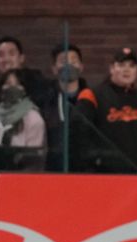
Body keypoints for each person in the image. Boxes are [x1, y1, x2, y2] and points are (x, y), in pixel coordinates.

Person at [75, 47, 137, 173]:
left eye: (132, 66)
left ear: (136, 70)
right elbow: (80, 140)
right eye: (121, 65)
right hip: (107, 176)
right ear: (112, 68)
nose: (127, 70)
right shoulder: (92, 96)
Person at [44, 43, 88, 171]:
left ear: (81, 67)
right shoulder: (45, 100)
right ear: (53, 68)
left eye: (74, 61)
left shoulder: (91, 98)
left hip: (85, 170)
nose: (68, 65)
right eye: (63, 61)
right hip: (52, 169)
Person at [0, 68, 46, 148]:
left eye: (17, 84)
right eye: (8, 83)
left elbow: (33, 154)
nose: (12, 88)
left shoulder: (34, 118)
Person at [0, 36, 52, 110]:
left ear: (21, 58)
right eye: (1, 55)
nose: (6, 59)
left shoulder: (39, 84)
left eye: (11, 53)